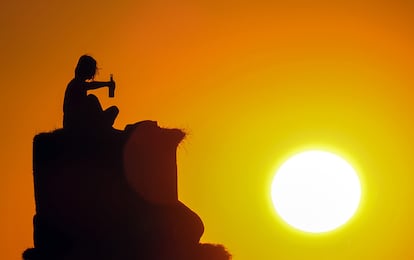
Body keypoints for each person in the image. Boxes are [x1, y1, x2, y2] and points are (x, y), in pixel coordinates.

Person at [63, 55, 118, 130]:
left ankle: (103, 125)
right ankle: (103, 126)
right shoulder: (75, 84)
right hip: (75, 123)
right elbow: (90, 85)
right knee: (92, 99)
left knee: (114, 110)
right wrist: (107, 84)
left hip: (76, 121)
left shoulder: (75, 84)